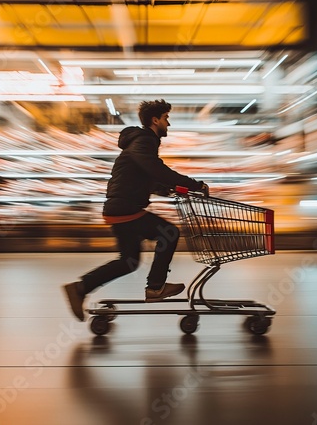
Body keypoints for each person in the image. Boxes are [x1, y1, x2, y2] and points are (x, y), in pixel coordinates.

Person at [63, 99, 209, 321]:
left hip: (120, 207)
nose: (168, 124)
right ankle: (156, 288)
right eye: (166, 119)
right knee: (169, 233)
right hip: (125, 208)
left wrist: (172, 190)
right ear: (155, 120)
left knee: (128, 261)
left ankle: (80, 288)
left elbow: (149, 178)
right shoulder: (144, 141)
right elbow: (156, 170)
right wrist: (194, 184)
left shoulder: (140, 143)